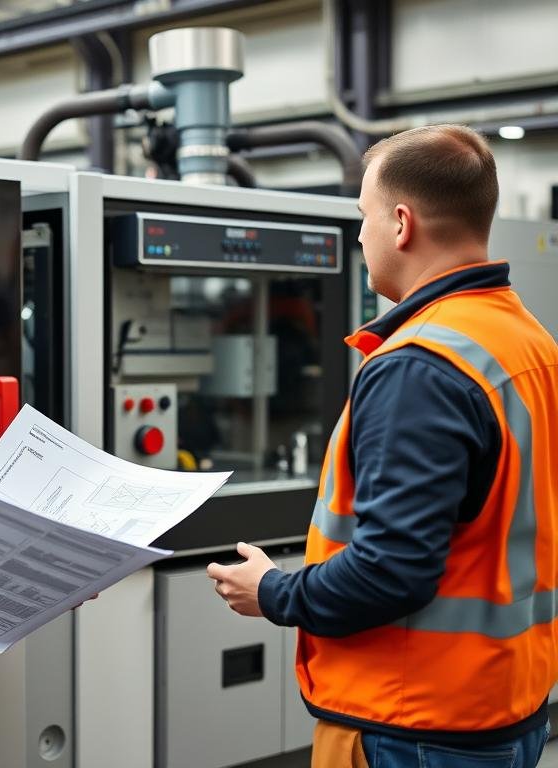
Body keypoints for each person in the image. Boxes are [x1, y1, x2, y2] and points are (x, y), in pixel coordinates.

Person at [208, 124, 558, 767]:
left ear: (401, 223)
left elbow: (391, 568)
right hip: (505, 702)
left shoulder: (420, 364)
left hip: (414, 721)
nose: (359, 235)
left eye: (363, 216)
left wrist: (273, 592)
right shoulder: (526, 339)